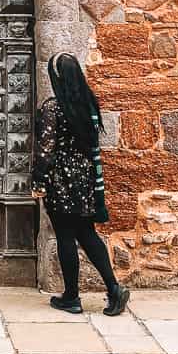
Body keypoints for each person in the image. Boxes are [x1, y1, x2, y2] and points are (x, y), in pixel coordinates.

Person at [30, 52, 130, 316]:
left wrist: (38, 180)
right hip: (85, 180)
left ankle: (72, 296)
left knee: (64, 235)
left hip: (61, 180)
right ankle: (113, 288)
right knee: (86, 233)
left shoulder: (54, 107)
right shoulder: (88, 105)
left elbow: (46, 149)